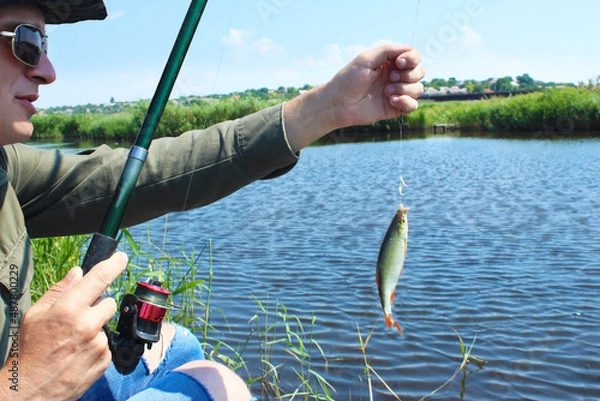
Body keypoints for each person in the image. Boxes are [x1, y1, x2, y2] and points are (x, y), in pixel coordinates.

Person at [0, 0, 425, 400]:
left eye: (43, 44)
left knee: (178, 345)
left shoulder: (7, 169)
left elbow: (146, 176)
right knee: (219, 384)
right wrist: (24, 383)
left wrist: (329, 108)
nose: (47, 71)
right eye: (26, 42)